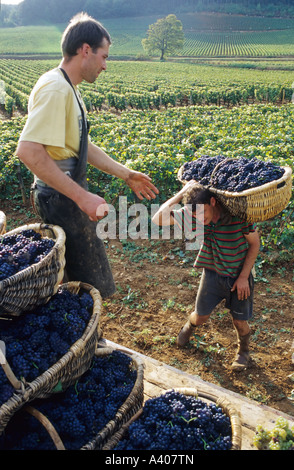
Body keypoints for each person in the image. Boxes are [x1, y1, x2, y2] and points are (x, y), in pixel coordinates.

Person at [16, 12, 158, 299]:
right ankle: (83, 337)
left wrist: (126, 174)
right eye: (103, 56)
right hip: (60, 200)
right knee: (83, 286)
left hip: (66, 199)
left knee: (80, 283)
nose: (105, 65)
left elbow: (82, 147)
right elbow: (29, 151)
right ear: (85, 50)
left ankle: (84, 334)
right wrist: (81, 197)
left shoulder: (70, 89)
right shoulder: (56, 89)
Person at [152, 180, 260, 371]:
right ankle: (188, 327)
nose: (200, 219)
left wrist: (243, 277)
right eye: (195, 215)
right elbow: (157, 219)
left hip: (238, 275)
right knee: (200, 316)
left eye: (202, 213)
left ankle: (243, 352)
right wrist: (182, 192)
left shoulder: (238, 217)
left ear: (212, 202)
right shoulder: (194, 216)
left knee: (240, 321)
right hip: (212, 272)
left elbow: (254, 245)